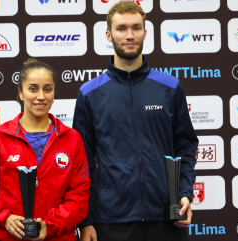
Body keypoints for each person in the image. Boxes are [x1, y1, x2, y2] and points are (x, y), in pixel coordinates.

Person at [73, 2, 198, 241]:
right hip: (111, 221)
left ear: (145, 32)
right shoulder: (90, 94)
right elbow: (82, 162)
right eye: (121, 29)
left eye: (136, 28)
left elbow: (186, 147)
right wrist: (86, 220)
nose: (130, 35)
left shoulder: (170, 88)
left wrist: (183, 193)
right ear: (108, 35)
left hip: (166, 218)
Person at [0, 59, 90, 241]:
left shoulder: (72, 139)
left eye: (47, 89)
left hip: (57, 236)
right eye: (33, 89)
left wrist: (49, 226)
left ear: (54, 93)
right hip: (6, 237)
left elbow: (79, 197)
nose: (41, 96)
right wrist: (5, 218)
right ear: (20, 92)